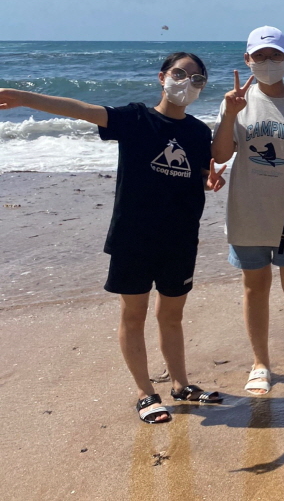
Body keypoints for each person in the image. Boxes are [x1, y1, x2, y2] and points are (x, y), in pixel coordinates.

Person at [0, 53, 227, 423]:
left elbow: (194, 173)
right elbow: (81, 109)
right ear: (162, 77)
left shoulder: (199, 131)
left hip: (181, 236)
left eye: (196, 79)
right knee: (134, 314)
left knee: (172, 315)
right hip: (133, 236)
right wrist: (24, 97)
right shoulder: (136, 118)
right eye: (179, 73)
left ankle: (181, 385)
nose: (187, 82)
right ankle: (145, 392)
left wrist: (209, 180)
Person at [212, 26, 284, 396]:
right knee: (254, 289)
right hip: (247, 213)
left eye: (275, 55)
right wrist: (230, 114)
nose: (267, 62)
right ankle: (260, 364)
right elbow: (220, 155)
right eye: (260, 56)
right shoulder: (236, 101)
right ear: (247, 60)